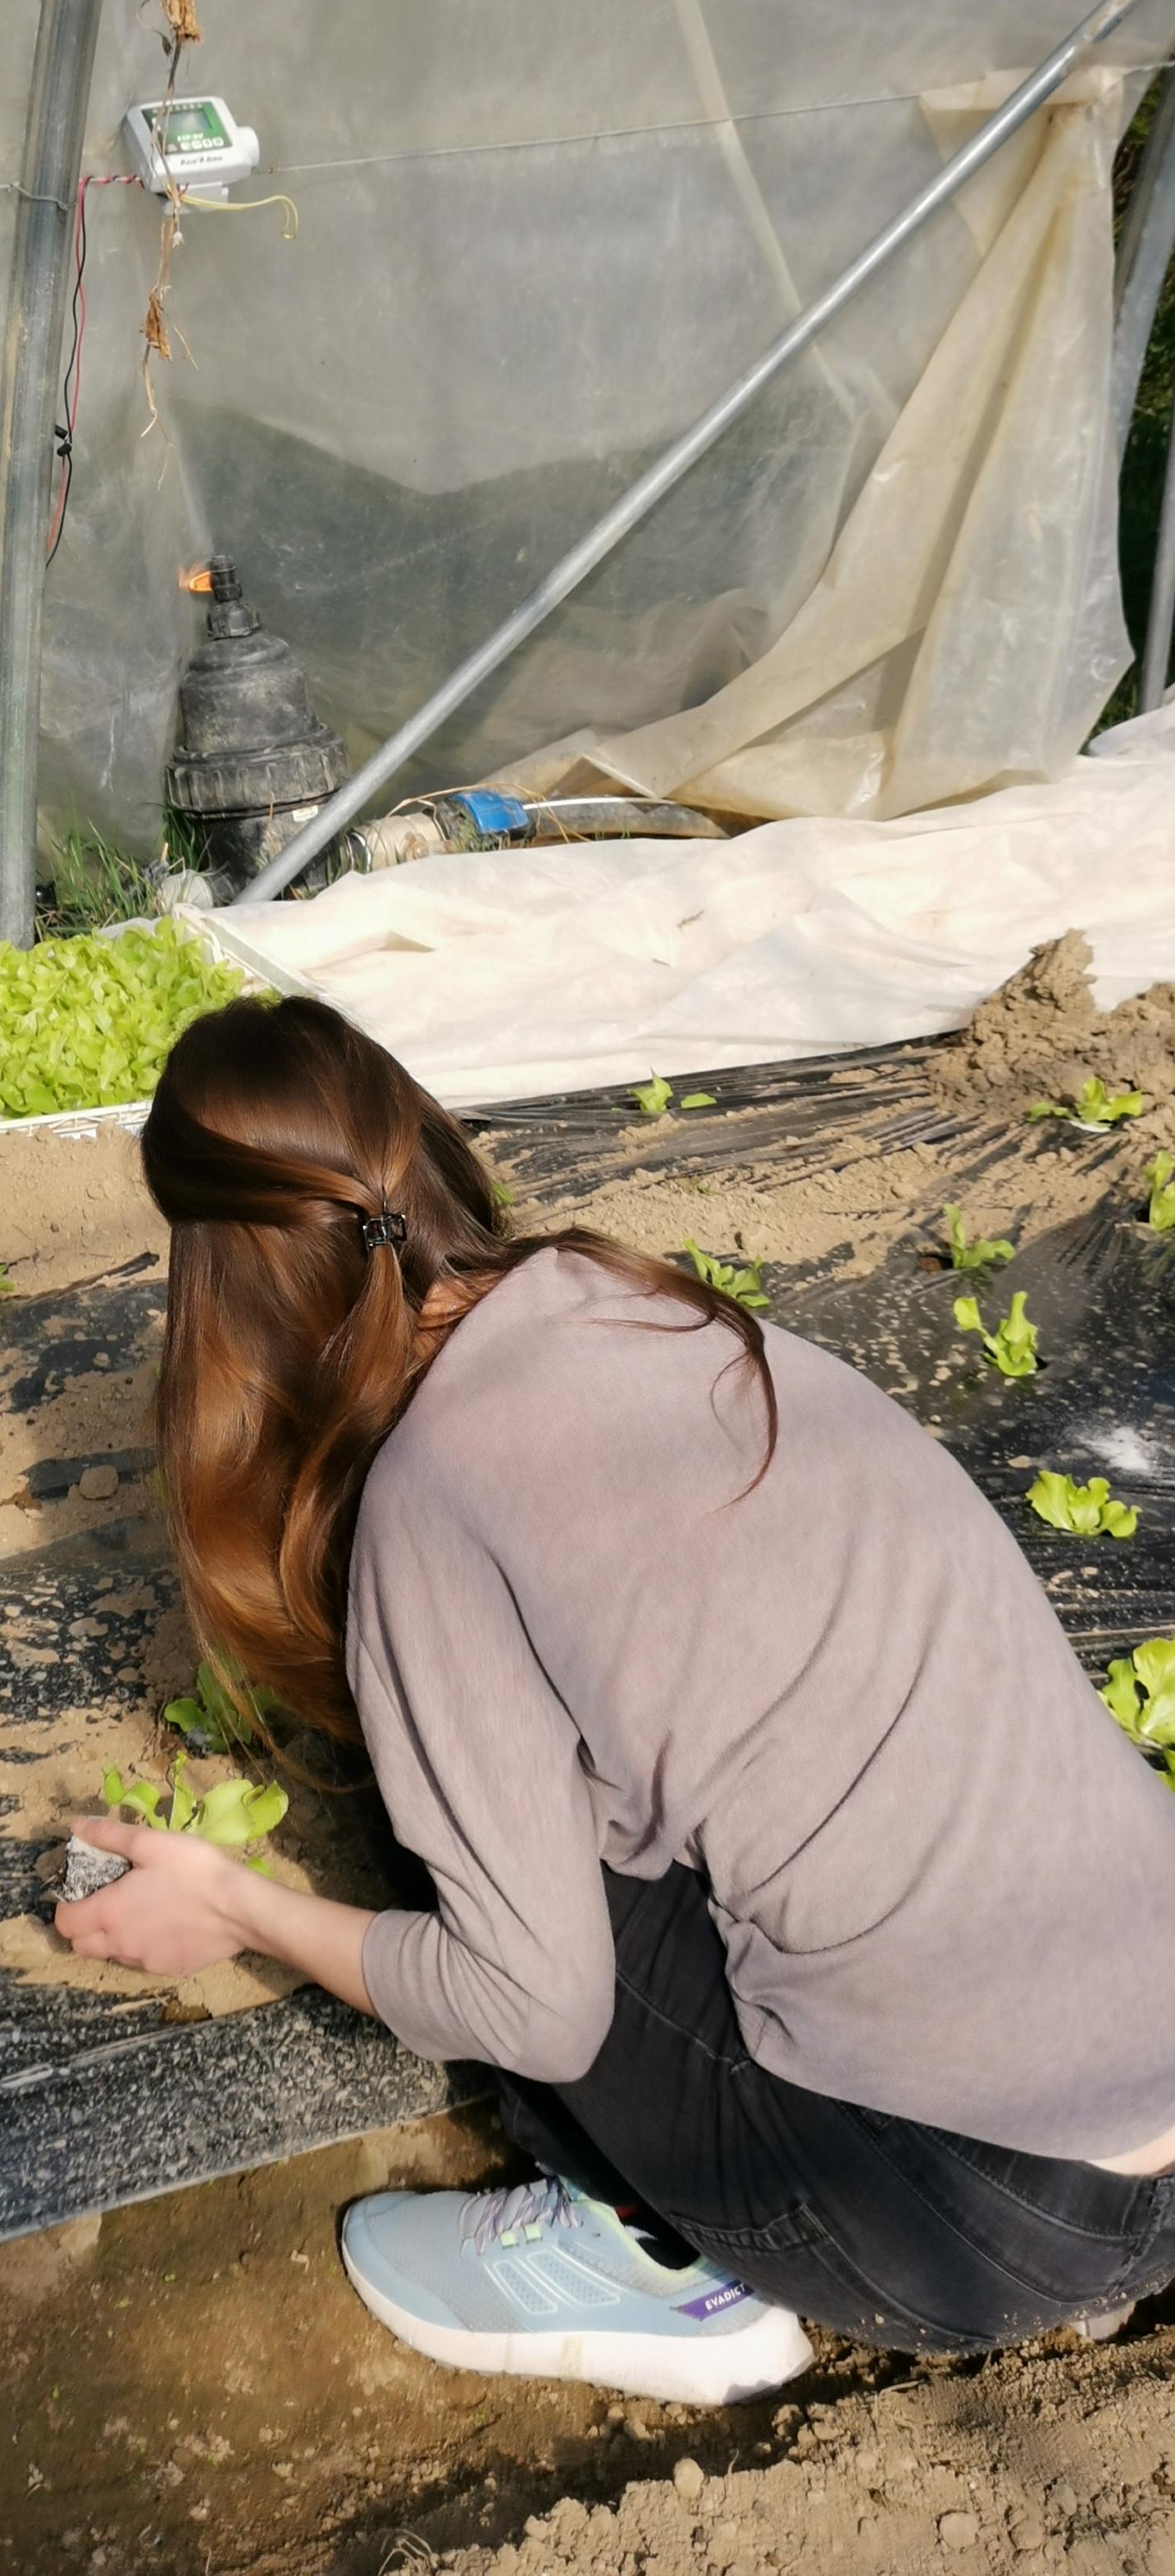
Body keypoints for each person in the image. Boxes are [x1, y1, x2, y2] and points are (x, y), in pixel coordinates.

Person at [57, 995, 1175, 2403]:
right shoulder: (657, 1304)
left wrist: (231, 1904)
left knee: (447, 1814)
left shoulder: (429, 1494)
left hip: (964, 2229)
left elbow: (532, 2006)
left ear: (221, 1282)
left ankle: (650, 2262)